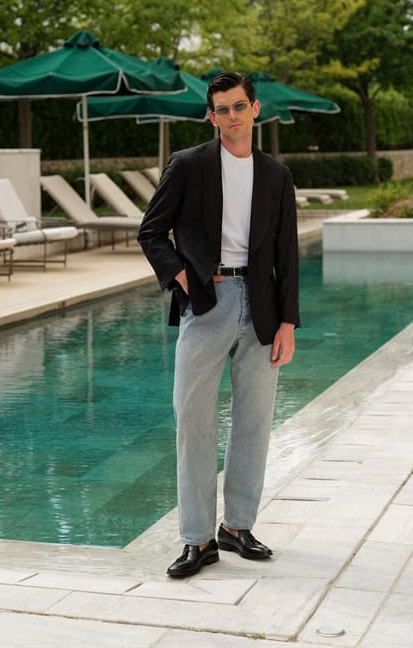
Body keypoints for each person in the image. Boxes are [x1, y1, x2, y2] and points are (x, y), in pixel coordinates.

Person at [138, 71, 300, 578]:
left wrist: (288, 322)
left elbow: (287, 253)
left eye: (238, 106)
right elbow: (151, 231)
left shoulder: (277, 176)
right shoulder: (188, 165)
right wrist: (184, 277)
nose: (231, 116)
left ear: (255, 109)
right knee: (194, 423)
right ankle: (198, 539)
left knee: (254, 422)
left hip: (262, 308)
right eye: (221, 109)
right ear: (211, 117)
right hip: (207, 304)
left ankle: (237, 527)